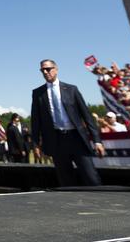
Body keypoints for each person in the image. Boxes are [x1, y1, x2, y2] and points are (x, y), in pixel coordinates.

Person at [30, 59, 104, 187]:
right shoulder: (38, 94)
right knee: (66, 180)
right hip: (56, 141)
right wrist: (36, 144)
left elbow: (87, 116)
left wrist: (97, 141)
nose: (45, 72)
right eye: (43, 70)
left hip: (76, 138)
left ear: (56, 69)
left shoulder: (71, 89)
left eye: (48, 69)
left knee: (91, 176)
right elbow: (36, 121)